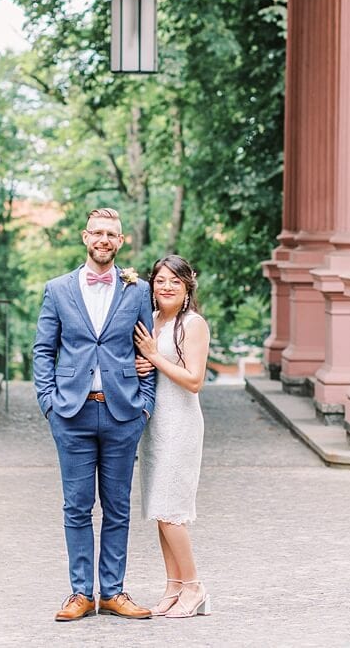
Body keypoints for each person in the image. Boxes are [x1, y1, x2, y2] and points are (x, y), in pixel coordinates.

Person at [32, 207, 157, 622]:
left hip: (123, 412)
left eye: (112, 234)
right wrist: (49, 403)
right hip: (72, 413)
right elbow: (43, 351)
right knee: (77, 507)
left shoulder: (137, 291)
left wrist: (145, 405)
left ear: (120, 243)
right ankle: (81, 593)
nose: (104, 239)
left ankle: (115, 592)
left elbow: (148, 352)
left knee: (118, 507)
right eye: (97, 232)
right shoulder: (58, 289)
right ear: (85, 238)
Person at [133, 254, 211, 618]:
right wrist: (141, 363)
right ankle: (173, 587)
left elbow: (194, 381)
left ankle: (194, 586)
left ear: (187, 287)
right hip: (155, 426)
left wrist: (154, 356)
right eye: (160, 280)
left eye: (174, 282)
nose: (165, 287)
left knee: (171, 512)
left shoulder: (192, 324)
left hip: (180, 424)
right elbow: (151, 369)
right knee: (157, 509)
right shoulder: (151, 321)